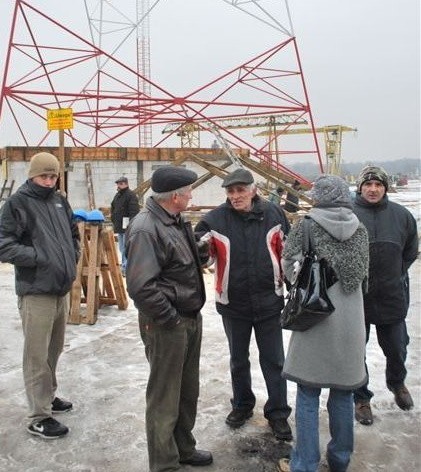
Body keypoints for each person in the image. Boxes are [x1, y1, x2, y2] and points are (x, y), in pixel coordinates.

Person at [278, 175, 369, 472]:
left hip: (315, 319)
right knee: (343, 394)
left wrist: (300, 280)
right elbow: (364, 274)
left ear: (320, 197)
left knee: (307, 394)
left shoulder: (306, 225)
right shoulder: (361, 228)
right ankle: (340, 460)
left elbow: (288, 262)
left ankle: (304, 464)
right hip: (350, 324)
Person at [125, 166, 212, 472]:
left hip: (188, 317)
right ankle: (164, 463)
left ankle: (183, 449)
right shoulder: (146, 228)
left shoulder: (174, 221)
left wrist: (199, 252)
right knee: (164, 396)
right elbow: (140, 286)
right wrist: (171, 319)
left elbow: (175, 267)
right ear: (176, 196)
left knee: (187, 390)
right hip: (167, 324)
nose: (192, 195)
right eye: (189, 190)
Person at [195, 168, 293, 441]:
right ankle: (242, 405)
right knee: (239, 360)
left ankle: (278, 413)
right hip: (233, 302)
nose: (236, 196)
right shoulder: (214, 219)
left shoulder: (275, 213)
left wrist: (293, 284)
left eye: (241, 190)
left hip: (269, 301)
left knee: (274, 360)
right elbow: (201, 251)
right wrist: (200, 249)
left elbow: (288, 252)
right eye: (231, 191)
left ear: (253, 190)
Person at [0, 152, 80, 439]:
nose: (49, 181)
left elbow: (73, 234)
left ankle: (48, 396)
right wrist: (41, 257)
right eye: (44, 176)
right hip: (36, 291)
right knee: (36, 355)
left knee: (53, 350)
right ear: (32, 175)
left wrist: (73, 255)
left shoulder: (60, 201)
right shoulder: (17, 204)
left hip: (60, 289)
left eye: (53, 176)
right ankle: (38, 415)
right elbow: (4, 245)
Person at [352, 165, 419, 426]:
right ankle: (361, 398)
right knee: (356, 352)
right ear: (360, 187)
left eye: (378, 185)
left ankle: (397, 383)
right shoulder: (348, 214)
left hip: (392, 294)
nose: (372, 189)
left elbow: (411, 250)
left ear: (384, 188)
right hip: (357, 297)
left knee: (397, 347)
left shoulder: (402, 216)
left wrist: (395, 273)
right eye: (368, 184)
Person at [110, 176, 139, 276]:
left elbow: (134, 211)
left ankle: (126, 268)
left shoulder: (131, 195)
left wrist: (131, 224)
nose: (119, 185)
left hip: (127, 227)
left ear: (126, 184)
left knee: (126, 248)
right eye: (118, 184)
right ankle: (124, 266)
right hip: (119, 226)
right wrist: (113, 219)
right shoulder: (117, 196)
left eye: (121, 184)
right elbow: (113, 208)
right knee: (122, 248)